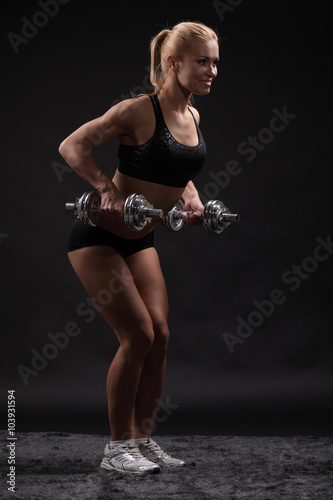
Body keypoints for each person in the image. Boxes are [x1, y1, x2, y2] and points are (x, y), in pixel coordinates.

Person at [59, 21, 219, 474]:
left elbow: (175, 166)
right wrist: (104, 188)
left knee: (161, 336)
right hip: (98, 238)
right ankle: (116, 451)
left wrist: (192, 198)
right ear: (173, 63)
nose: (212, 71)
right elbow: (73, 145)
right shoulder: (136, 110)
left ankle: (143, 442)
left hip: (140, 238)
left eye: (214, 62)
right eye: (202, 62)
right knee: (138, 335)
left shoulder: (193, 117)